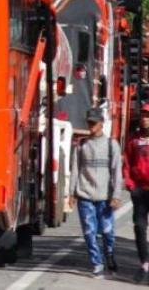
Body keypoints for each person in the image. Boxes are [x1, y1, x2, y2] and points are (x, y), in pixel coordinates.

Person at [71, 107, 123, 277]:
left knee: (107, 231)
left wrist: (116, 195)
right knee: (89, 232)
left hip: (105, 197)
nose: (91, 125)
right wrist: (72, 193)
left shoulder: (111, 145)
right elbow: (75, 169)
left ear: (101, 123)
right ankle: (97, 263)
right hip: (85, 195)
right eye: (89, 122)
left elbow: (117, 171)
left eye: (94, 122)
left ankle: (109, 254)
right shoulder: (82, 145)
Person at [126, 102, 149, 282]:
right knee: (139, 227)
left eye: (148, 115)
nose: (145, 119)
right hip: (140, 191)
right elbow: (127, 163)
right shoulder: (134, 140)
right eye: (143, 115)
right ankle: (144, 263)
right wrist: (131, 184)